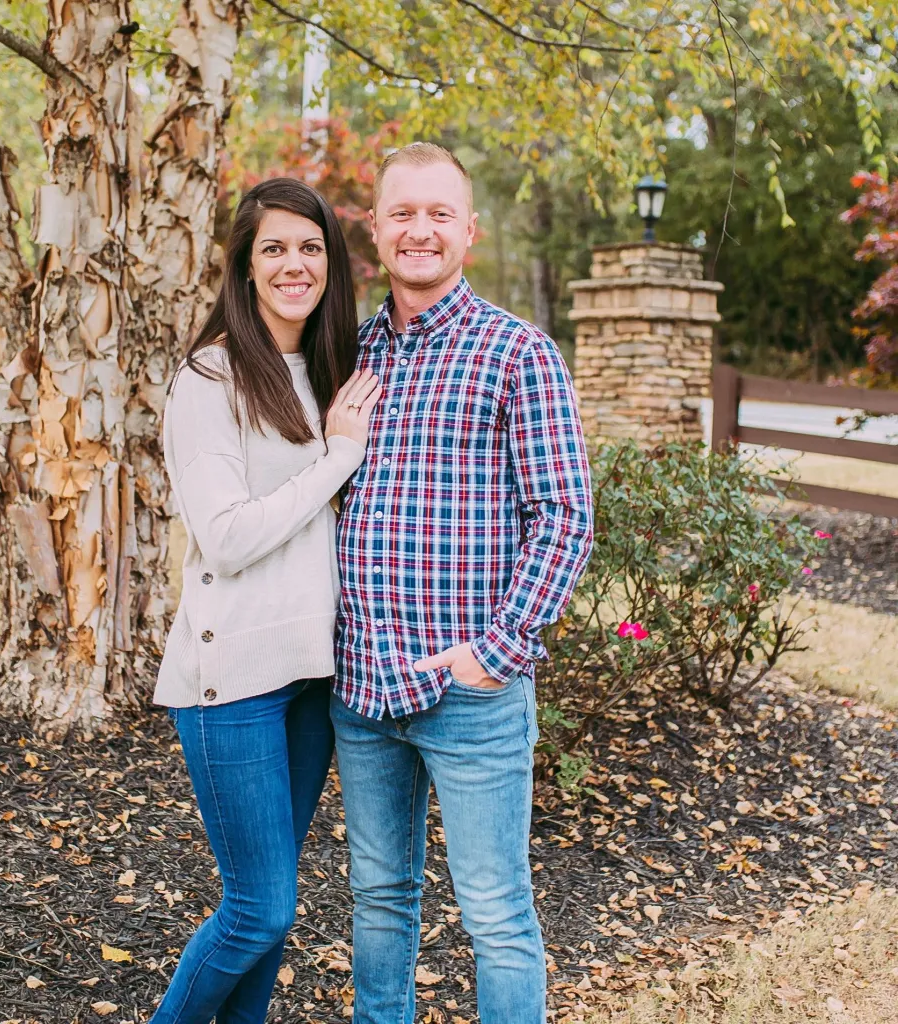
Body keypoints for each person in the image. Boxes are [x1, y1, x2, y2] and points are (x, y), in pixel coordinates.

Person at [330, 143, 595, 1024]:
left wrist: (496, 653)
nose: (420, 229)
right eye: (402, 212)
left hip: (468, 694)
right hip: (362, 689)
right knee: (379, 902)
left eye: (440, 213)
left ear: (469, 232)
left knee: (495, 912)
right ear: (374, 228)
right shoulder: (353, 352)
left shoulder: (519, 353)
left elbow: (564, 516)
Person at [151, 176, 381, 1024]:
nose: (295, 263)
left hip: (313, 677)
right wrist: (339, 456)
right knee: (259, 909)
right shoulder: (208, 378)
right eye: (274, 248)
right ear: (245, 267)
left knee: (270, 917)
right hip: (233, 680)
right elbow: (230, 535)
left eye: (311, 246)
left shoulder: (327, 367)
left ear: (331, 262)